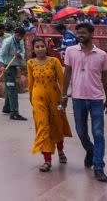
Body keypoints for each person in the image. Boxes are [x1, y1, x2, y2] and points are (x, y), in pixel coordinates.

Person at [61, 22, 107, 183]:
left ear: (91, 34)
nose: (80, 35)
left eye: (83, 32)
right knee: (81, 132)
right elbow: (67, 73)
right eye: (78, 33)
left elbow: (105, 78)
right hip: (78, 98)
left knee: (98, 133)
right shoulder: (70, 51)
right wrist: (63, 95)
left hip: (96, 98)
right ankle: (90, 151)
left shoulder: (102, 55)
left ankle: (99, 167)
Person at [27, 37, 72, 172]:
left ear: (46, 48)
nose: (40, 49)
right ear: (33, 49)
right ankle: (47, 160)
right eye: (37, 47)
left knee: (57, 125)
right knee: (43, 126)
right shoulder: (30, 63)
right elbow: (30, 84)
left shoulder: (54, 61)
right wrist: (32, 100)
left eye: (42, 46)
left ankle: (60, 150)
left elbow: (62, 80)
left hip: (55, 98)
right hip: (37, 98)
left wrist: (64, 97)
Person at [0, 25, 28, 120]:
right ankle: (14, 113)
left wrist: (19, 55)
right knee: (12, 90)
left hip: (14, 67)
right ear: (16, 34)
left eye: (22, 36)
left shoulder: (21, 41)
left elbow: (23, 52)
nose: (20, 38)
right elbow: (0, 55)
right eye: (19, 36)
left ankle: (7, 108)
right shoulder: (8, 42)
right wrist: (2, 66)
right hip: (7, 68)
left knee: (9, 88)